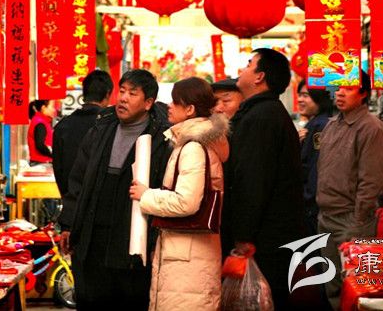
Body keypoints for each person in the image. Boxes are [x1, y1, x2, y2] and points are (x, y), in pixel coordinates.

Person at [59, 69, 172, 310]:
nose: (123, 98)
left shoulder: (161, 138)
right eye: (122, 91)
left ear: (148, 103)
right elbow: (78, 179)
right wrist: (68, 224)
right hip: (93, 238)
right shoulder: (101, 129)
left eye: (132, 93)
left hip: (132, 241)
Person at [129, 77, 229, 311]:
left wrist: (146, 195)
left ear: (190, 109)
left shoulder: (193, 147)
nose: (169, 106)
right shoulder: (198, 143)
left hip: (187, 258)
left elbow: (186, 202)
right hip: (189, 253)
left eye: (175, 101)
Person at [222, 48, 306, 309]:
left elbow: (252, 181)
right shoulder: (265, 112)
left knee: (261, 301)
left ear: (259, 76)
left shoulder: (262, 118)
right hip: (271, 235)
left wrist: (243, 236)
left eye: (249, 64)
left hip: (264, 240)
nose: (243, 69)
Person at [317, 70, 383, 309]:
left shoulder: (371, 127)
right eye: (338, 87)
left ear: (364, 93)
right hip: (326, 216)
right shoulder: (331, 124)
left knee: (355, 285)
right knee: (331, 284)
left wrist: (359, 220)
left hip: (351, 219)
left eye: (348, 88)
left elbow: (372, 181)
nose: (340, 93)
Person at [53, 70, 113, 196]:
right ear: (108, 94)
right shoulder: (111, 125)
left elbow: (58, 170)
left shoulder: (62, 126)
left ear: (84, 93)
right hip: (100, 202)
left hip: (71, 200)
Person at [297, 80, 334, 235]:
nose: (300, 99)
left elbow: (316, 166)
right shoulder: (315, 123)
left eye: (305, 95)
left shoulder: (320, 125)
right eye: (299, 95)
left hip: (313, 205)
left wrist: (307, 198)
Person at [27, 99, 56, 165]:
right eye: (52, 107)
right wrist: (53, 155)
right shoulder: (40, 123)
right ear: (43, 108)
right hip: (41, 162)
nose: (54, 110)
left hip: (41, 162)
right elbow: (40, 145)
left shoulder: (41, 121)